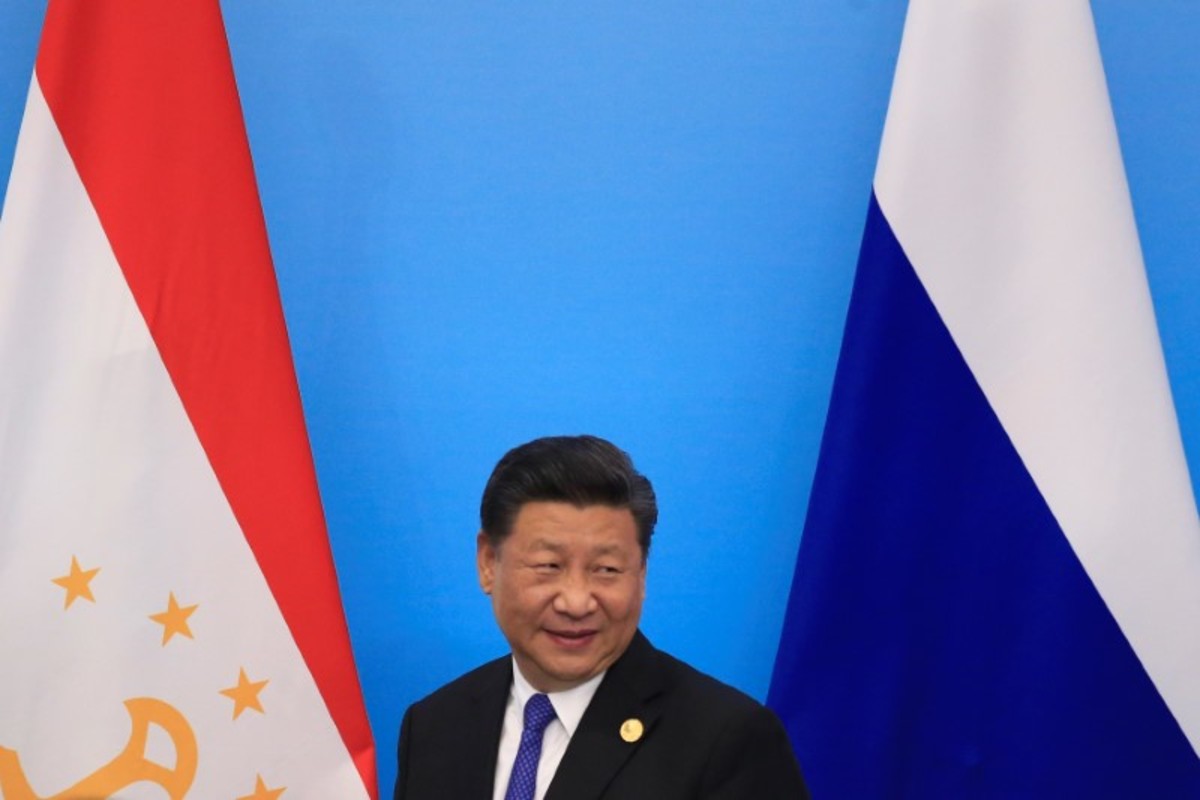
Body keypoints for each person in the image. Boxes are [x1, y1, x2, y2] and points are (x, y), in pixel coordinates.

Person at [394, 435, 809, 799]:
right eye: (548, 565)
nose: (577, 602)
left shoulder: (727, 740)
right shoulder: (434, 725)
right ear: (488, 562)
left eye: (606, 569)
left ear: (641, 574)